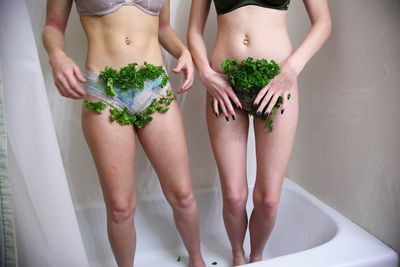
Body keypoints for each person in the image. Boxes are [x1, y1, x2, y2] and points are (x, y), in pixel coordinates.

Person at [42, 1, 206, 266]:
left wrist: (183, 51)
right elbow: (52, 26)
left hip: (155, 87)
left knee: (183, 195)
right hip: (105, 91)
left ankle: (197, 259)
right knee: (120, 208)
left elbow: (163, 27)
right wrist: (57, 55)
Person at [188, 0, 331, 265]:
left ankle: (257, 257)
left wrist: (292, 68)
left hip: (277, 85)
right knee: (233, 196)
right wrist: (205, 73)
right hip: (224, 87)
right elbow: (194, 30)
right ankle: (237, 255)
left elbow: (323, 22)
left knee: (268, 200)